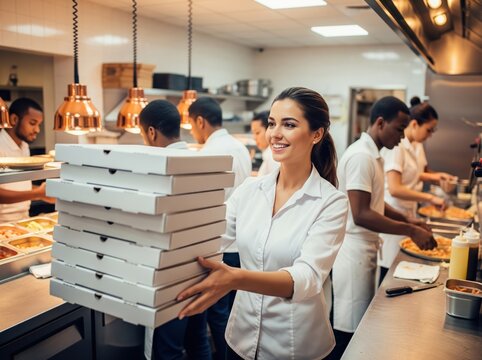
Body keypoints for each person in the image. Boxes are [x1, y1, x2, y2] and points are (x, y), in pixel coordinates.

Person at [177, 87, 349, 360]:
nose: (275, 134)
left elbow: (307, 278)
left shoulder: (331, 202)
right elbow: (211, 239)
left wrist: (236, 279)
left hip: (294, 348)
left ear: (316, 134)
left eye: (289, 124)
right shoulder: (249, 191)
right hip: (240, 340)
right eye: (272, 123)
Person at [331, 96, 436, 359]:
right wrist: (410, 231)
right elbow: (362, 214)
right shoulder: (360, 157)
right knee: (348, 331)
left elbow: (375, 203)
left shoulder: (373, 155)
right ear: (380, 122)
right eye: (399, 128)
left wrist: (408, 220)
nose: (402, 137)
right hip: (352, 254)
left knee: (360, 326)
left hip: (365, 251)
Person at [139, 100, 212, 360]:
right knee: (197, 340)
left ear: (151, 131)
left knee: (166, 350)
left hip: (166, 274)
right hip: (200, 267)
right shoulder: (203, 161)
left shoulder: (155, 165)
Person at [188, 97, 252, 359]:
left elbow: (203, 203)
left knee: (217, 315)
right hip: (242, 243)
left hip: (220, 244)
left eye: (191, 124)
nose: (193, 130)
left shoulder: (209, 152)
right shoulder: (240, 147)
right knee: (231, 315)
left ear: (200, 121)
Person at [378, 102, 456, 279]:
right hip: (394, 212)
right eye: (429, 130)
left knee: (402, 267)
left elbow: (416, 174)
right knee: (390, 270)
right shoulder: (397, 146)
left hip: (407, 212)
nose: (430, 135)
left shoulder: (416, 145)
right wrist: (430, 197)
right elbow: (395, 188)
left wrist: (437, 177)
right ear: (414, 124)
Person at [0, 97, 51, 222]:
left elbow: (19, 185)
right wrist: (38, 193)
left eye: (39, 125)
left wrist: (45, 192)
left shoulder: (24, 146)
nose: (37, 130)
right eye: (33, 123)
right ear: (14, 119)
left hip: (23, 220)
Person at [250, 110, 279, 176]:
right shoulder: (268, 154)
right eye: (253, 133)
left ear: (270, 130)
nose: (254, 138)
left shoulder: (273, 157)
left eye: (257, 132)